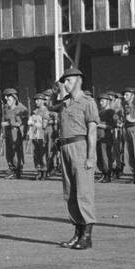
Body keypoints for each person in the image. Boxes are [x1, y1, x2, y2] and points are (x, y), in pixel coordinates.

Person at [48, 68, 98, 249]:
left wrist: (90, 156)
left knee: (84, 192)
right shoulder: (65, 102)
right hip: (65, 147)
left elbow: (92, 131)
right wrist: (55, 91)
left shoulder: (88, 102)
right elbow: (51, 107)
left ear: (79, 80)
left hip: (80, 146)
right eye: (64, 81)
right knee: (70, 193)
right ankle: (77, 233)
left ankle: (87, 236)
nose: (65, 84)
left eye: (68, 81)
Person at [95, 92, 115, 183]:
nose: (100, 103)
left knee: (106, 156)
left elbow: (111, 126)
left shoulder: (110, 112)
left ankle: (108, 175)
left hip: (106, 137)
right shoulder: (100, 112)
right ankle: (103, 173)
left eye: (102, 101)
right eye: (100, 101)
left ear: (108, 101)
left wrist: (98, 125)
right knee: (100, 157)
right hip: (98, 137)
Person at [29, 93, 50, 180]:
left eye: (38, 100)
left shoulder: (45, 111)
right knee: (36, 153)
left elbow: (44, 125)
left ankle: (44, 171)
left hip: (42, 134)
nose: (36, 102)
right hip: (34, 133)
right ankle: (38, 170)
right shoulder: (34, 111)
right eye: (35, 100)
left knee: (42, 153)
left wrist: (34, 122)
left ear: (42, 101)